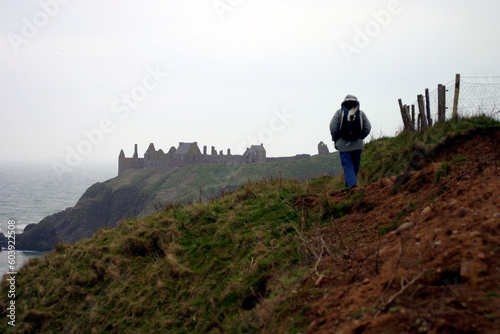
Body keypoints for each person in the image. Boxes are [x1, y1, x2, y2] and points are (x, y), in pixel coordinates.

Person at [330, 94, 371, 188]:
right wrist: (360, 137)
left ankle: (353, 189)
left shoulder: (339, 113)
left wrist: (336, 140)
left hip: (343, 146)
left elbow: (333, 127)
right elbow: (367, 128)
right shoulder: (361, 113)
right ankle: (349, 190)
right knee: (354, 168)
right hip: (358, 145)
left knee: (348, 168)